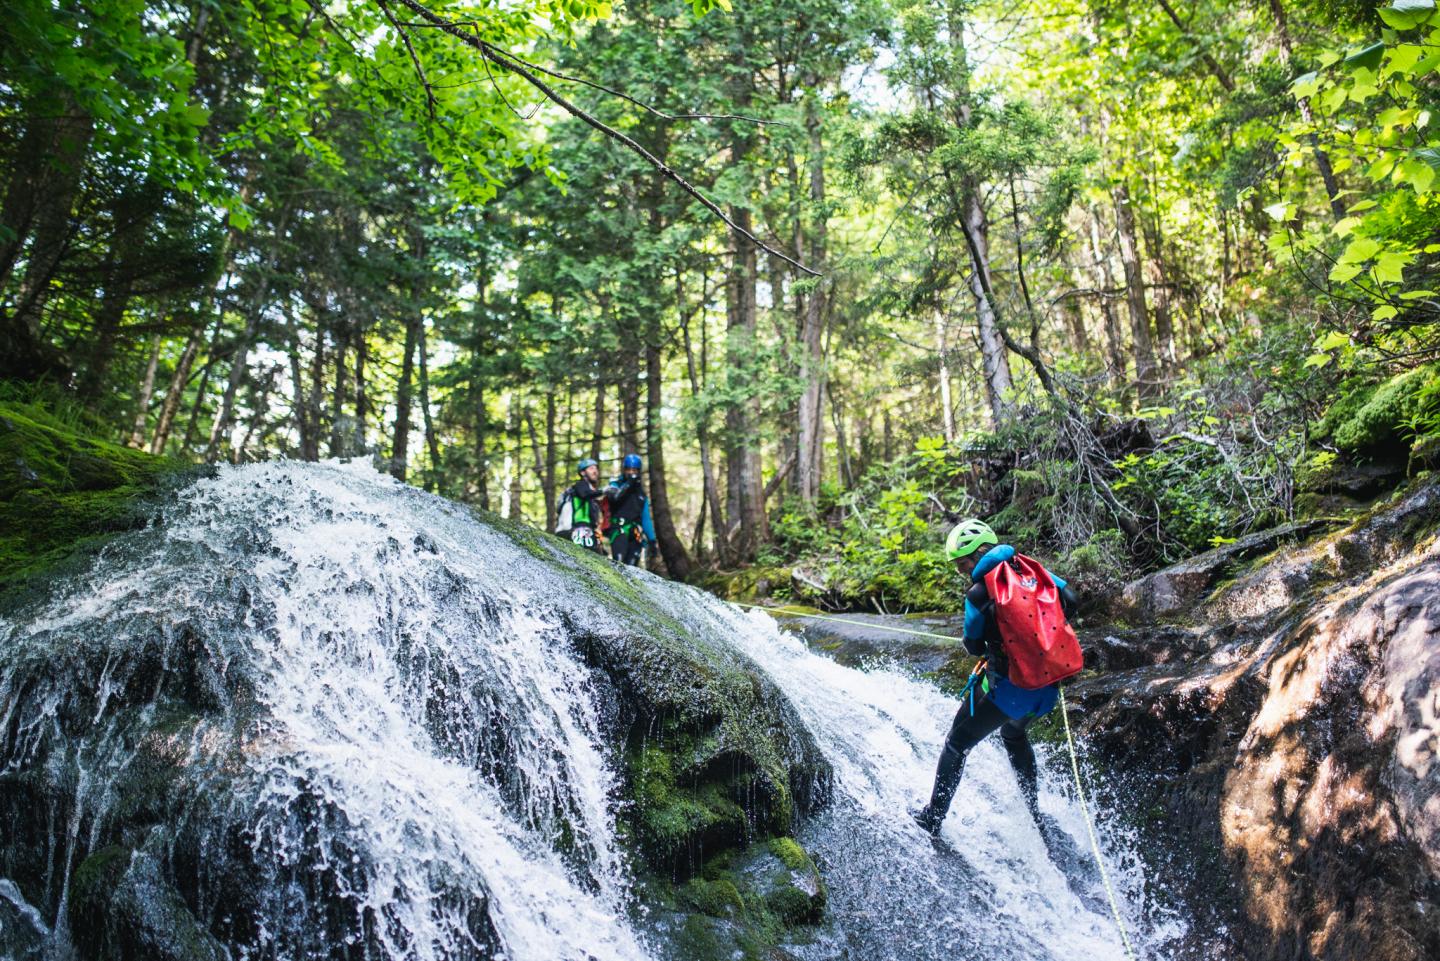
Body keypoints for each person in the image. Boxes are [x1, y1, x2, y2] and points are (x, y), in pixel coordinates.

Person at [912, 518, 1078, 838]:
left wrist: (996, 643)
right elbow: (1070, 599)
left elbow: (973, 645)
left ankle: (933, 818)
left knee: (956, 744)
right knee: (1013, 736)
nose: (961, 569)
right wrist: (1043, 635)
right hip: (1047, 687)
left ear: (976, 557)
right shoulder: (1030, 568)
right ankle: (1034, 812)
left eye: (962, 563)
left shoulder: (978, 593)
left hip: (1013, 688)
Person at [603, 453, 656, 567]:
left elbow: (645, 518)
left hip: (635, 533)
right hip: (619, 530)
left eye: (634, 470)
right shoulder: (615, 484)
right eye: (628, 469)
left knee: (631, 568)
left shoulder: (641, 494)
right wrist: (628, 484)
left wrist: (652, 541)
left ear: (638, 471)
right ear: (624, 469)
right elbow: (614, 497)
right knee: (619, 564)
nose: (631, 473)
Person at [558, 458, 608, 554]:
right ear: (583, 473)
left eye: (596, 468)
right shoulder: (581, 485)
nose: (595, 471)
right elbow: (584, 494)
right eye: (591, 468)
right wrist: (604, 490)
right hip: (578, 529)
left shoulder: (590, 492)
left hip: (582, 530)